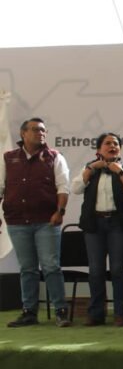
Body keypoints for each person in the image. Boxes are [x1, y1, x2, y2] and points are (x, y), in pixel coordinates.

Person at [1, 117, 71, 327]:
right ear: (23, 133)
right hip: (17, 221)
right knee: (27, 268)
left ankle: (61, 311)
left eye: (43, 130)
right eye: (35, 129)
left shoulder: (55, 157)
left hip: (47, 221)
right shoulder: (8, 158)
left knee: (51, 266)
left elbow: (63, 187)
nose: (40, 133)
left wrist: (60, 211)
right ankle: (29, 313)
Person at [71, 132, 123, 327]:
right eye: (108, 143)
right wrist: (91, 168)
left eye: (116, 144)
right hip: (94, 224)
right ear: (98, 149)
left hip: (118, 224)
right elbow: (75, 189)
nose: (112, 146)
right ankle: (96, 314)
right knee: (96, 270)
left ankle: (120, 314)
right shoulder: (90, 168)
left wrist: (120, 172)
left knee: (117, 269)